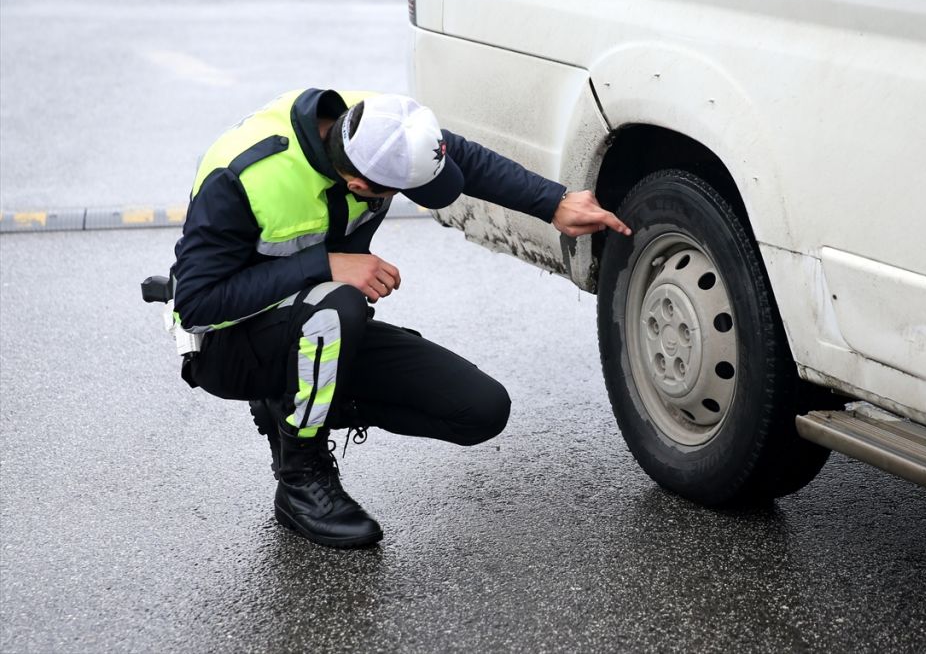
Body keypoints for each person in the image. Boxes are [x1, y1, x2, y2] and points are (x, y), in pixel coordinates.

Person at [170, 88, 631, 548]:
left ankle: (294, 400)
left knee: (481, 410)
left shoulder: (377, 125)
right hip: (231, 347)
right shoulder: (246, 176)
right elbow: (196, 305)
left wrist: (554, 203)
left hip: (321, 327)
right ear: (360, 186)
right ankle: (300, 480)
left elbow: (461, 157)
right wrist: (327, 264)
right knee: (341, 306)